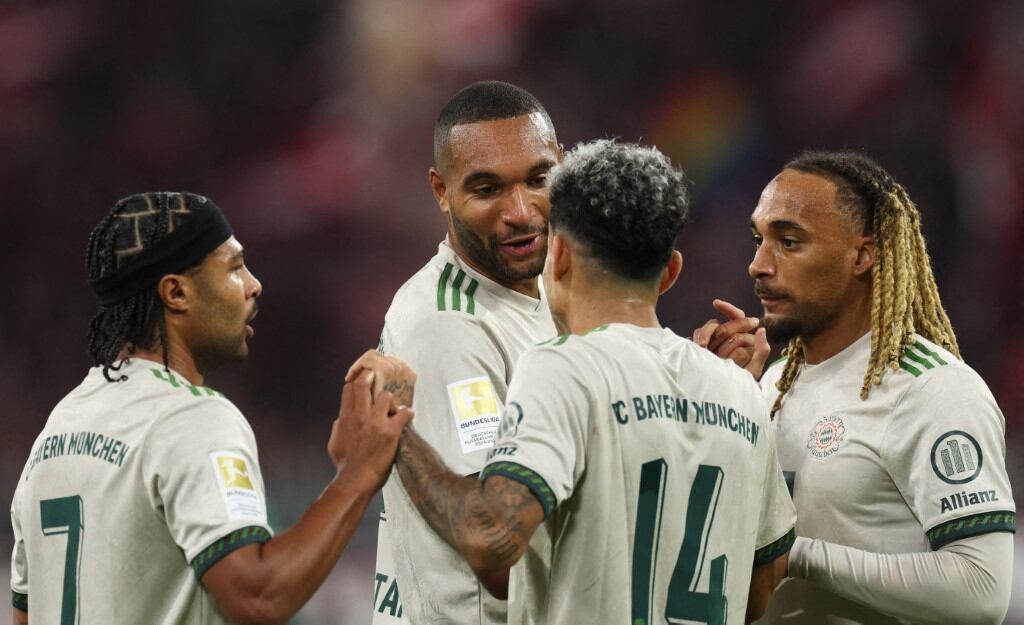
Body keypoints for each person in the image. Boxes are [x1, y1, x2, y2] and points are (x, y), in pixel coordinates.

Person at [360, 139, 797, 624]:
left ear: (559, 256)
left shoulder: (560, 368)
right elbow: (763, 587)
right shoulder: (740, 391)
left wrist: (396, 430)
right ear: (670, 271)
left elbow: (491, 543)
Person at [9, 192, 413, 625]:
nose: (254, 285)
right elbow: (258, 597)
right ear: (177, 292)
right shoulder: (190, 419)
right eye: (235, 268)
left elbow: (25, 615)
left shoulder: (57, 430)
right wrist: (358, 473)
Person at [698, 150, 1015, 624]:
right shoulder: (768, 388)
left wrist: (792, 552)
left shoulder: (932, 390)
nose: (758, 265)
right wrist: (715, 408)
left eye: (788, 241)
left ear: (862, 255)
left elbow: (981, 591)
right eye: (757, 240)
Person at [370, 81, 561, 624]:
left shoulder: (552, 289)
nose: (520, 212)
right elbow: (493, 543)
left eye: (538, 179)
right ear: (441, 190)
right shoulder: (448, 324)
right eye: (487, 189)